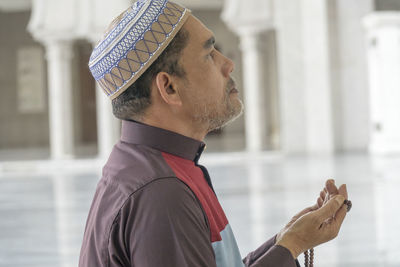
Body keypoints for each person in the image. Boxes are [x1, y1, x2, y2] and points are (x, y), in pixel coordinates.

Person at [79, 0, 350, 266]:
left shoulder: (156, 168)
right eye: (209, 54)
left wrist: (286, 239)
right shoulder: (162, 193)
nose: (228, 64)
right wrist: (294, 245)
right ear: (169, 87)